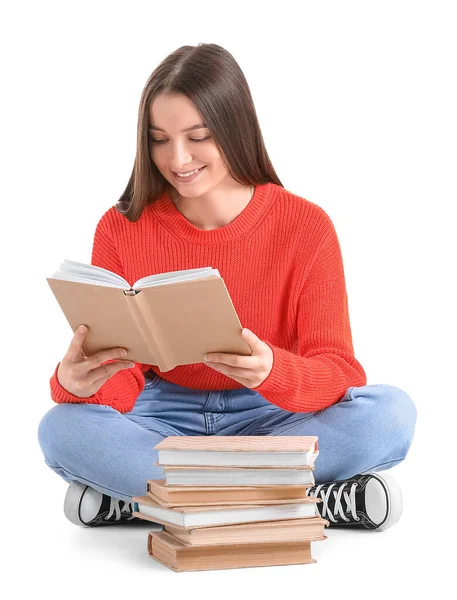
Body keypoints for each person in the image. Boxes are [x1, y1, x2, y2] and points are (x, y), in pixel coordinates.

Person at [37, 43, 417, 532]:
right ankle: (305, 501)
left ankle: (148, 501)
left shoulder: (305, 225)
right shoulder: (120, 227)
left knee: (389, 414)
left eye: (198, 136)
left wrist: (272, 371)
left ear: (234, 129)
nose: (177, 159)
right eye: (159, 139)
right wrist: (74, 384)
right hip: (162, 419)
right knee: (62, 429)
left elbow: (340, 370)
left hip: (274, 418)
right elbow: (125, 379)